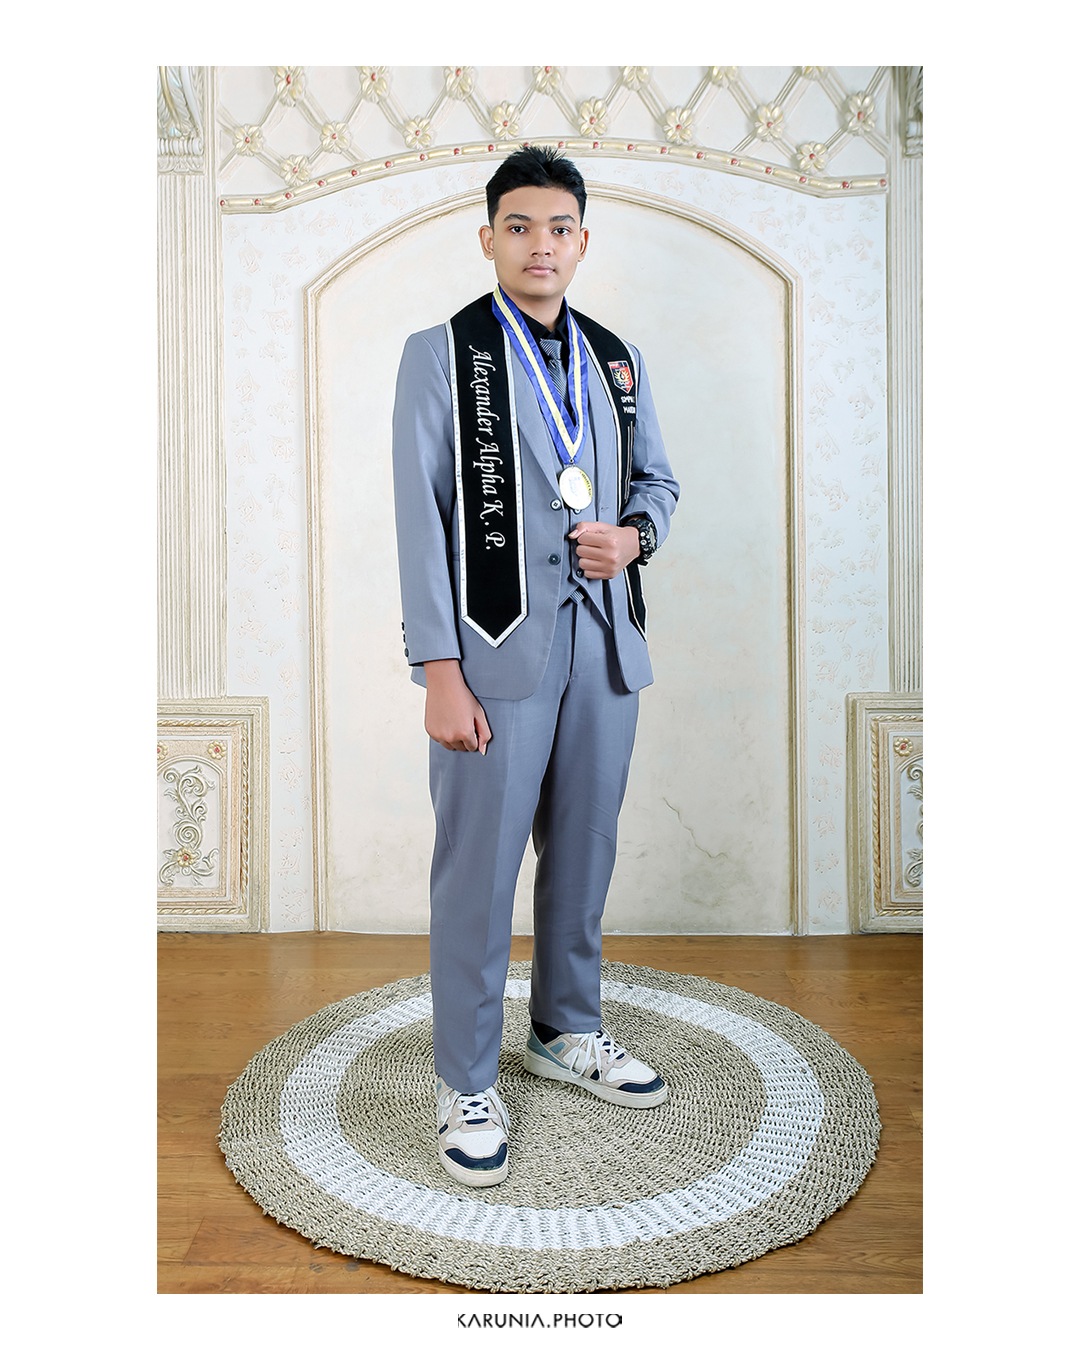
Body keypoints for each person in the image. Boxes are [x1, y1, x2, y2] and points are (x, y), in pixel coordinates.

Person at [392, 146, 679, 1187]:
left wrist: (635, 538)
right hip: (492, 657)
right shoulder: (443, 353)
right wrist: (438, 670)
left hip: (605, 650)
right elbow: (421, 523)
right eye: (519, 226)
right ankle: (464, 1078)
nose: (540, 244)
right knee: (478, 872)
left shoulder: (617, 359)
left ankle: (565, 1030)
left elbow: (660, 482)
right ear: (489, 238)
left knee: (586, 855)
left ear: (582, 241)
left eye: (558, 227)